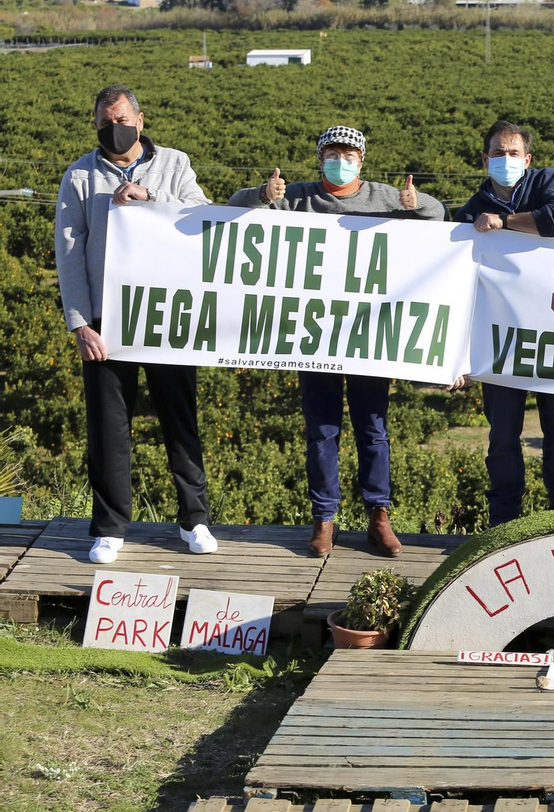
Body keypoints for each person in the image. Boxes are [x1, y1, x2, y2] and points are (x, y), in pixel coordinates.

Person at [229, 126, 446, 556]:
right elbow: (232, 206)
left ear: (361, 160)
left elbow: (438, 216)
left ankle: (378, 516)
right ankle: (324, 518)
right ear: (320, 156)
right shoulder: (299, 196)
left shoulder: (384, 197)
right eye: (332, 152)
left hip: (369, 334)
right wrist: (262, 194)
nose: (341, 159)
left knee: (373, 429)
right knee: (322, 430)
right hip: (314, 335)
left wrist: (416, 203)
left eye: (349, 153)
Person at [55, 85, 219, 565]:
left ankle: (195, 519)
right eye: (105, 121)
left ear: (140, 120)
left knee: (179, 416)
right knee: (108, 424)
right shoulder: (80, 176)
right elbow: (69, 253)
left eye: (122, 118)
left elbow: (203, 215)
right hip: (107, 316)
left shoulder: (175, 164)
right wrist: (80, 323)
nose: (114, 128)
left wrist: (151, 197)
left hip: (168, 310)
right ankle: (109, 527)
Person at [451, 120, 554, 523]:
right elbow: (459, 289)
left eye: (512, 153)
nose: (504, 159)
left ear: (527, 159)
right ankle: (503, 524)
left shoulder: (548, 183)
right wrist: (459, 359)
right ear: (484, 158)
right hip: (500, 343)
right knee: (502, 440)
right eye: (497, 153)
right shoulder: (469, 213)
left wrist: (504, 223)